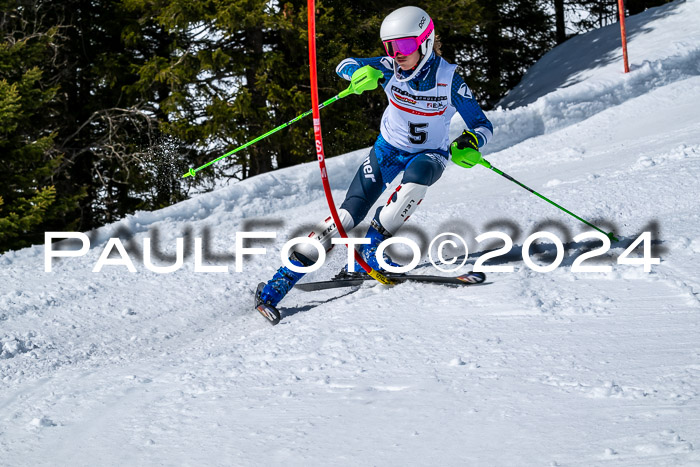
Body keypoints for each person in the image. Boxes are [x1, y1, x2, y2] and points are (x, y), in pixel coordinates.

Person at [257, 6, 493, 309]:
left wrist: (470, 142)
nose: (397, 54)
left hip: (428, 154)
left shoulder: (450, 80)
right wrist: (358, 74)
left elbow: (482, 124)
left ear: (425, 41)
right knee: (346, 216)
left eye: (405, 46)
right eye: (391, 47)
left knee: (416, 180)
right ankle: (281, 281)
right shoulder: (388, 67)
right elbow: (346, 64)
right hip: (387, 150)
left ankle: (371, 250)